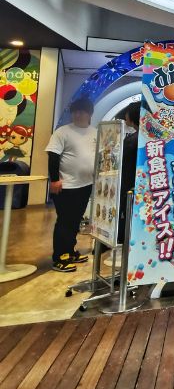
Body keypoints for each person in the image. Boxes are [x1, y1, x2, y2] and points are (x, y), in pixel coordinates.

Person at [46, 98, 97, 272]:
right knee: (65, 222)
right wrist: (54, 180)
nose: (78, 114)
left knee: (75, 221)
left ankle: (70, 250)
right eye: (75, 111)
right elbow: (53, 156)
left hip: (86, 184)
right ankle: (59, 257)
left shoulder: (94, 132)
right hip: (66, 186)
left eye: (82, 111)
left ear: (89, 114)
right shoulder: (62, 132)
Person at [118, 101, 140, 244]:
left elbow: (124, 164)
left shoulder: (132, 140)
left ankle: (124, 243)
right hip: (138, 186)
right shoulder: (144, 137)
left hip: (129, 186)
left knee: (127, 216)